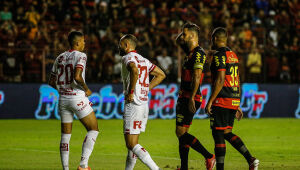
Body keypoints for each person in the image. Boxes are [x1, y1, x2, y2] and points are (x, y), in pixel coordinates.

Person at [205, 27, 259, 170]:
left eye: (212, 39)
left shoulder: (219, 56)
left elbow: (221, 79)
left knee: (218, 133)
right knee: (227, 132)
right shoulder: (233, 55)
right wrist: (237, 103)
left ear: (215, 39)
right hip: (233, 97)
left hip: (222, 99)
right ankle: (251, 159)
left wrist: (210, 101)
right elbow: (236, 78)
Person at [48, 31, 99, 170]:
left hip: (63, 99)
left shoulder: (59, 57)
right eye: (83, 41)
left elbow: (51, 81)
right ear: (77, 42)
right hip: (77, 97)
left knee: (65, 135)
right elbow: (77, 76)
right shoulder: (81, 55)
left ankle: (65, 168)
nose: (84, 44)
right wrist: (86, 89)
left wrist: (63, 90)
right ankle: (83, 165)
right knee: (93, 129)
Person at [119, 34, 166, 170]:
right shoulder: (144, 60)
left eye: (120, 44)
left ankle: (155, 169)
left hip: (134, 104)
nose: (118, 46)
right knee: (133, 143)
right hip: (143, 103)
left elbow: (134, 70)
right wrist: (146, 88)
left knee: (131, 144)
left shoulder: (127, 57)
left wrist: (131, 91)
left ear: (126, 45)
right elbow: (161, 74)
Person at [175, 22, 215, 170]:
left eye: (185, 34)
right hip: (185, 96)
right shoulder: (190, 51)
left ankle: (209, 156)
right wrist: (184, 29)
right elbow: (177, 40)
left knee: (180, 132)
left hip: (190, 97)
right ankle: (184, 167)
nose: (182, 36)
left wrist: (191, 97)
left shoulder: (199, 53)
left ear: (192, 36)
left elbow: (197, 76)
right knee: (183, 133)